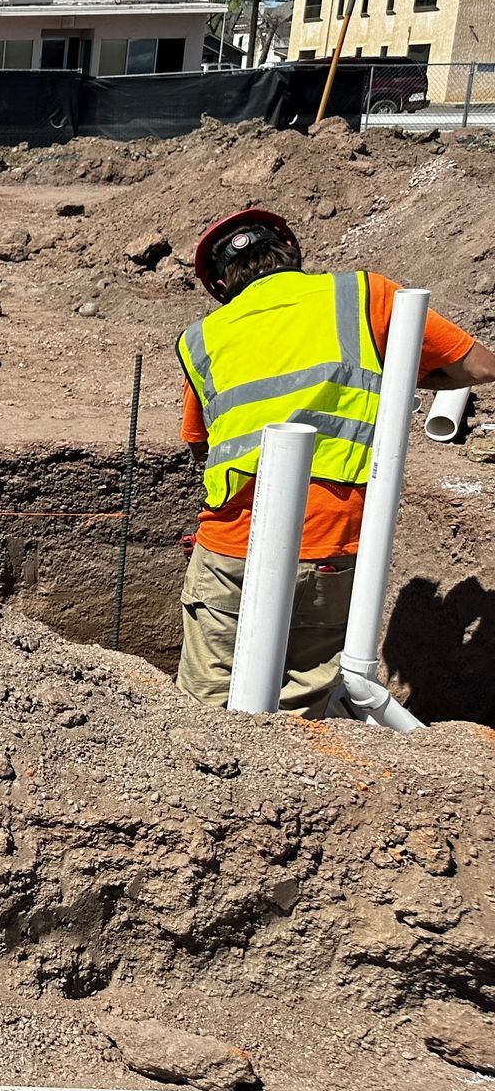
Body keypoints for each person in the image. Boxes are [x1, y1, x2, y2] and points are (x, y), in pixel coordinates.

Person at [175, 207, 495, 713]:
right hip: (330, 545)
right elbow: (479, 365)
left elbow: (199, 444)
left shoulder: (202, 338)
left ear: (219, 283)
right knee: (300, 712)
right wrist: (392, 376)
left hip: (230, 547)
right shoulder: (364, 295)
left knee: (205, 710)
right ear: (291, 252)